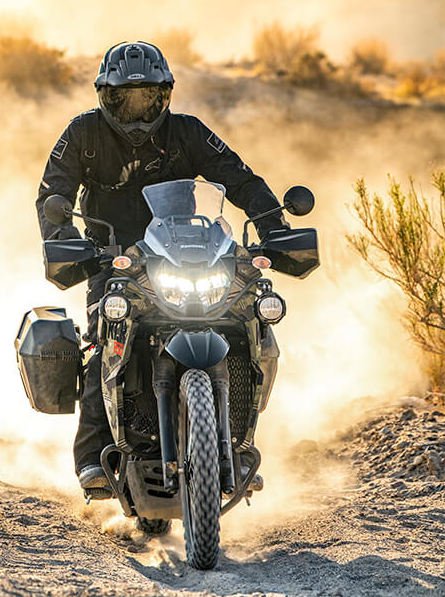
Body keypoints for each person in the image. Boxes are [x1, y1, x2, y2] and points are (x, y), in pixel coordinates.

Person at [35, 41, 287, 498]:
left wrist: (273, 226)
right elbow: (52, 192)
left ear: (164, 95)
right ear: (104, 96)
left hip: (186, 253)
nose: (136, 110)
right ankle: (93, 459)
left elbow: (240, 178)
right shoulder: (82, 134)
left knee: (246, 325)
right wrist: (64, 244)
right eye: (124, 98)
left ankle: (237, 445)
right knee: (105, 339)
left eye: (147, 97)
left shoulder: (188, 132)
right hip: (113, 258)